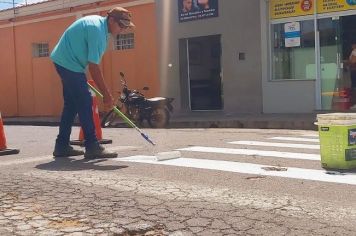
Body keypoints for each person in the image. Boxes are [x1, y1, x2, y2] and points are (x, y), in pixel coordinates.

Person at [50, 7, 135, 159]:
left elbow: (93, 65)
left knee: (72, 104)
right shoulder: (97, 31)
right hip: (69, 64)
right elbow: (94, 68)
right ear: (111, 20)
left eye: (126, 26)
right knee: (85, 101)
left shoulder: (100, 27)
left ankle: (61, 145)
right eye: (121, 25)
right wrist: (107, 96)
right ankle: (92, 146)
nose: (123, 29)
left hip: (64, 61)